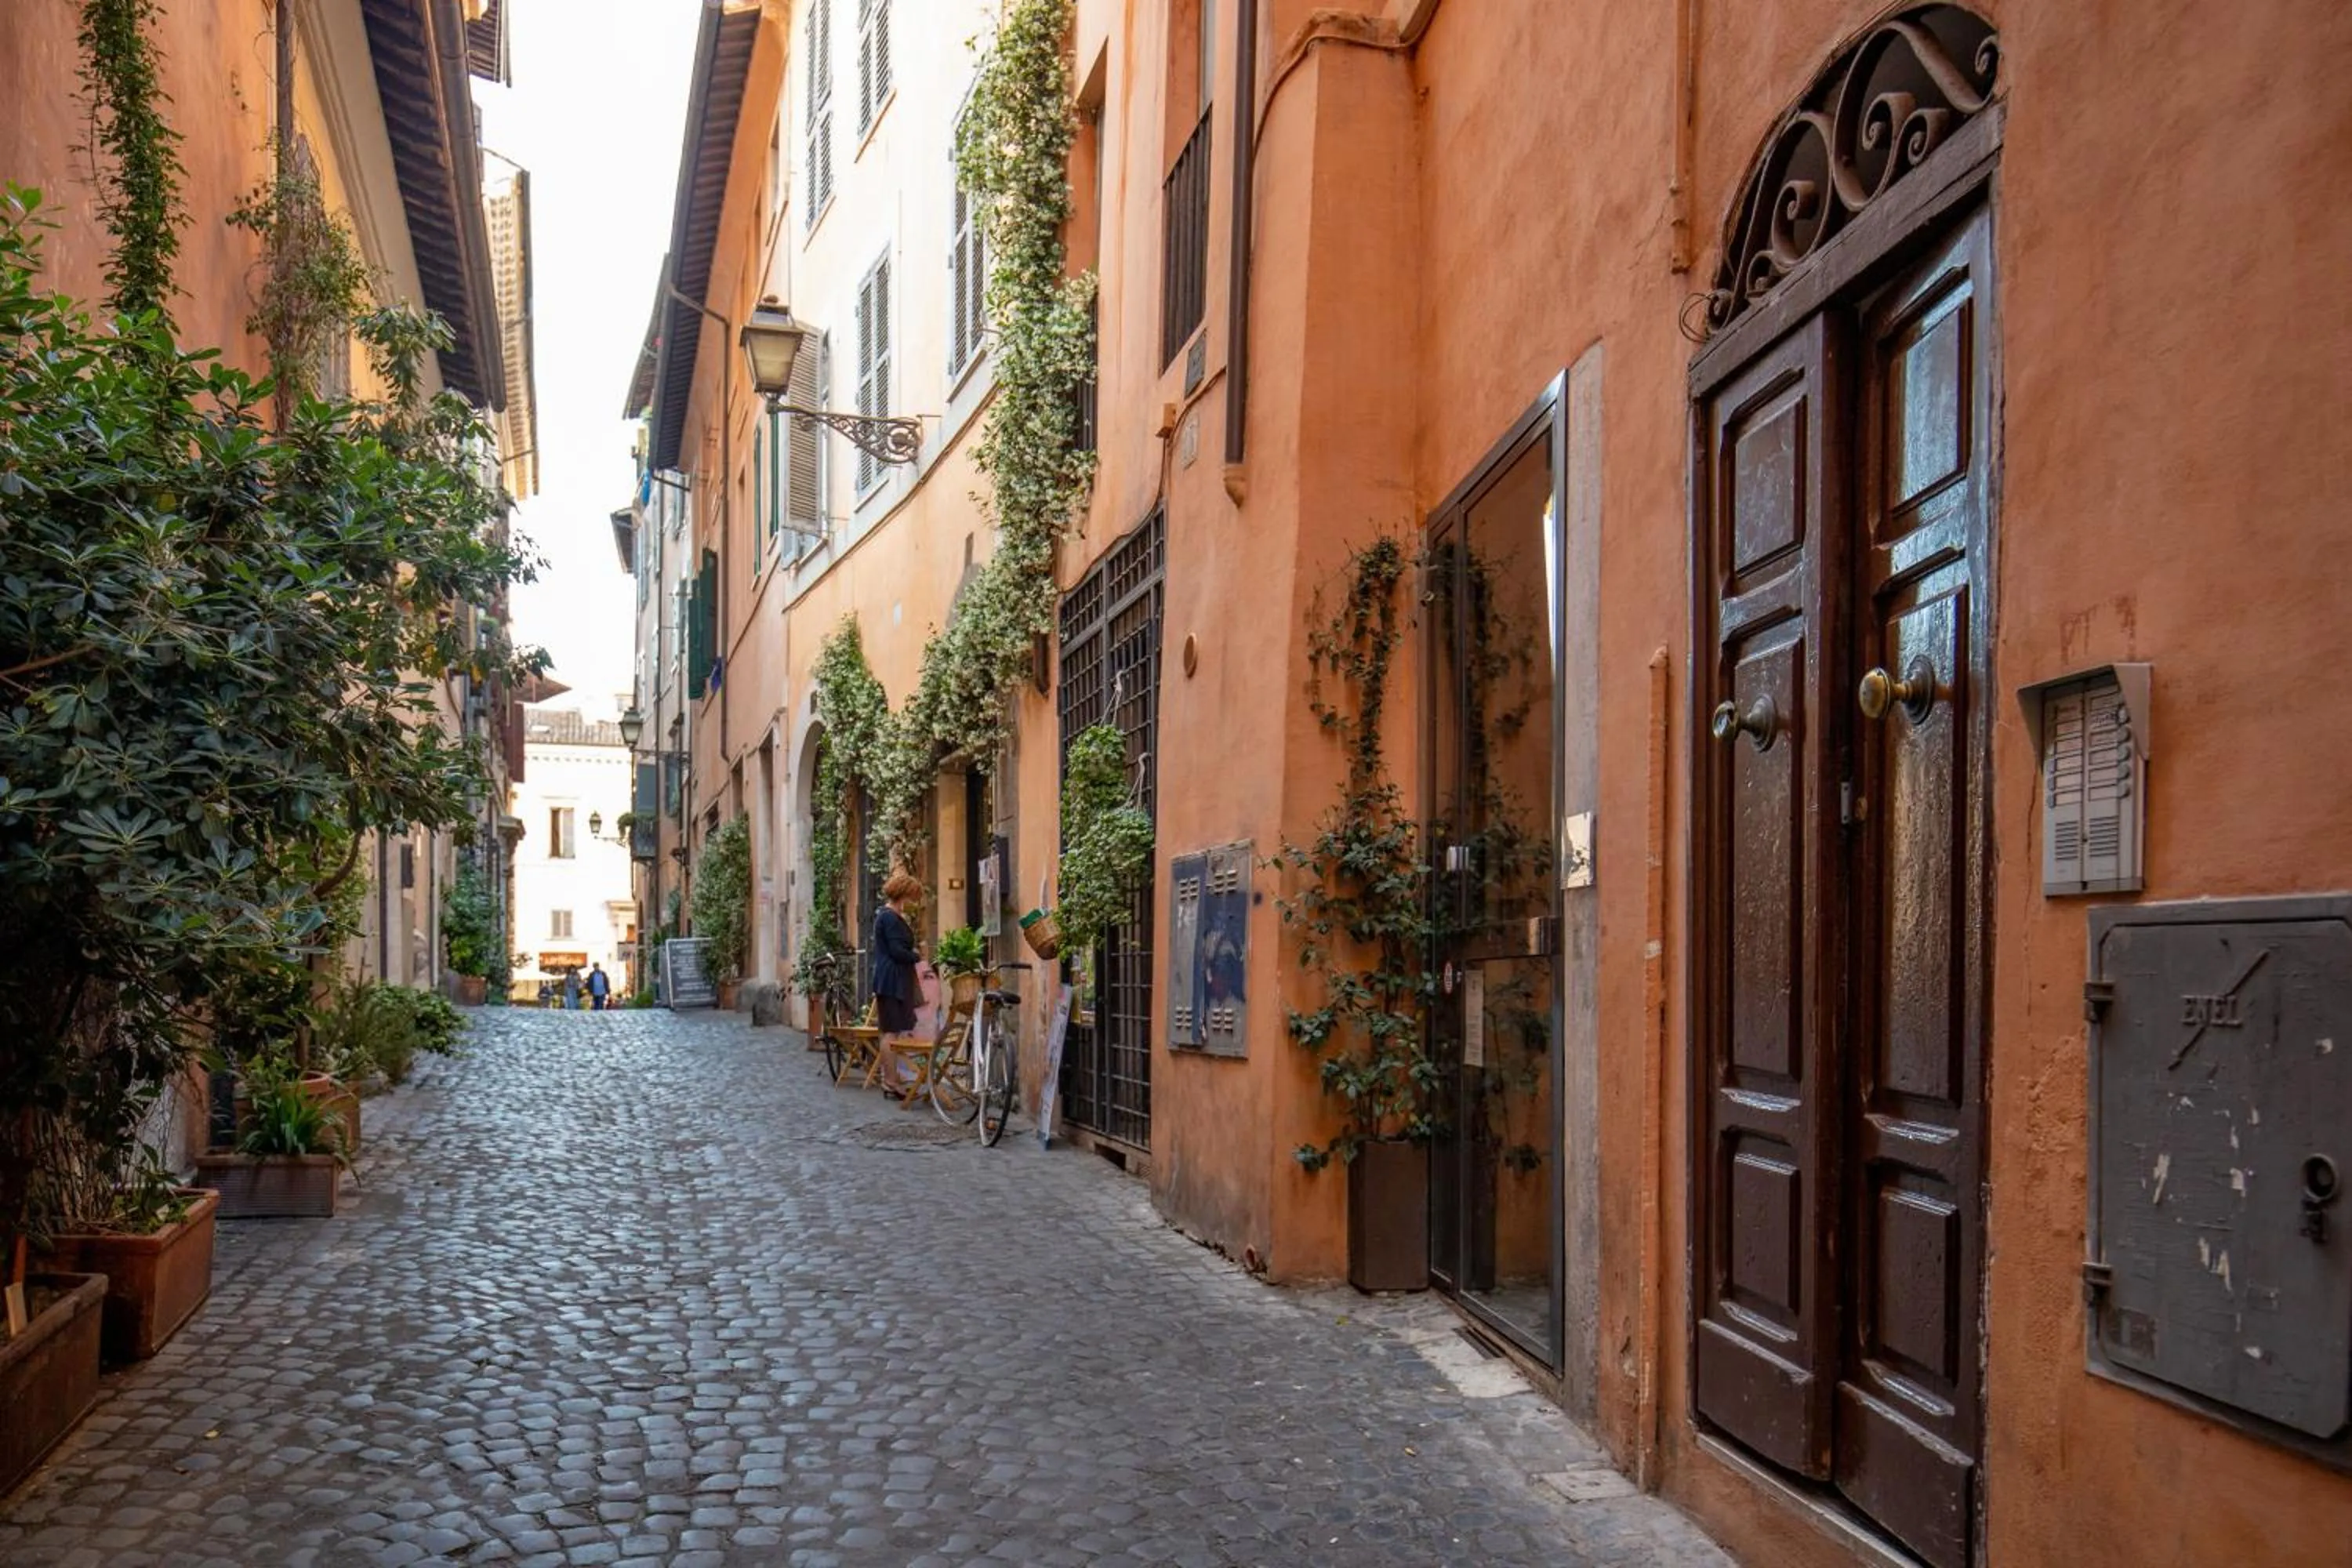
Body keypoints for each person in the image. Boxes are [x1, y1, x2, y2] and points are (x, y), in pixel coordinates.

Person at [869, 872, 925, 1095]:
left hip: (892, 979)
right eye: (913, 897)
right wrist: (917, 956)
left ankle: (890, 1077)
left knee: (890, 1030)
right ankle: (890, 1081)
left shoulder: (890, 916)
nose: (914, 903)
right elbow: (896, 951)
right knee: (890, 1031)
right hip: (891, 980)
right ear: (904, 895)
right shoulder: (890, 918)